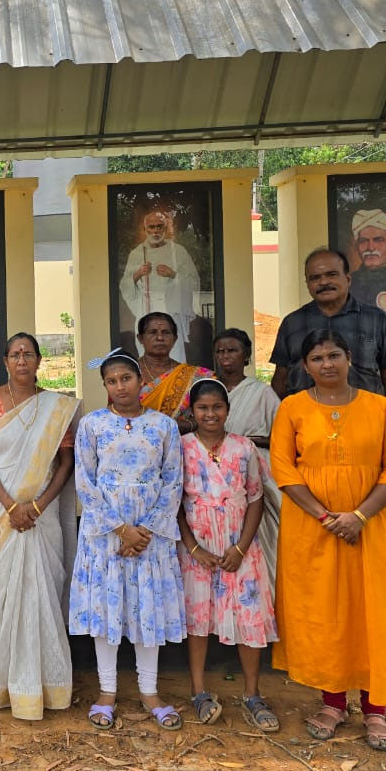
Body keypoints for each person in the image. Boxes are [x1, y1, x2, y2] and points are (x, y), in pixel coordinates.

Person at [270, 329, 386, 752]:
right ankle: (332, 703)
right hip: (312, 528)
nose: (327, 364)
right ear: (305, 366)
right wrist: (326, 516)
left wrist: (357, 516)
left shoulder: (380, 407)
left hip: (373, 527)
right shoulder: (292, 408)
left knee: (373, 609)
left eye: (334, 355)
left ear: (350, 358)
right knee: (325, 613)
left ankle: (376, 710)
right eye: (317, 358)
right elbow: (284, 470)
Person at [70, 350, 185, 731]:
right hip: (106, 536)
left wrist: (145, 530)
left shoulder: (165, 426)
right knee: (109, 610)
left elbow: (173, 481)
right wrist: (121, 529)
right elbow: (85, 482)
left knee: (146, 607)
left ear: (141, 382)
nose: (120, 386)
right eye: (112, 381)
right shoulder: (92, 425)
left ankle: (150, 691)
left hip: (152, 537)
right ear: (105, 386)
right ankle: (107, 691)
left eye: (127, 379)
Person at [0, 333, 79, 720]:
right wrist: (11, 505)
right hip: (3, 509)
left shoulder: (56, 407)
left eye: (28, 354)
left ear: (38, 361)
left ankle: (46, 683)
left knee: (41, 590)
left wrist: (37, 504)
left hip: (40, 511)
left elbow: (64, 462)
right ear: (5, 361)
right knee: (5, 590)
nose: (21, 360)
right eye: (15, 354)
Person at [176, 378, 279, 731]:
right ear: (192, 412)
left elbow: (255, 497)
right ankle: (199, 691)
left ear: (227, 411)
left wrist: (241, 547)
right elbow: (173, 503)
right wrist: (193, 547)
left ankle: (252, 694)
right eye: (203, 408)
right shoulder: (181, 447)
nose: (210, 414)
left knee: (251, 619)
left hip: (240, 548)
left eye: (217, 407)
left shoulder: (244, 447)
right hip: (197, 549)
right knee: (198, 620)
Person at [269, 249, 386, 416]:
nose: (324, 282)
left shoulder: (375, 320)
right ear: (307, 284)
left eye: (331, 274)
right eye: (315, 278)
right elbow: (280, 380)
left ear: (348, 279)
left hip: (364, 420)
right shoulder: (292, 323)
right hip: (306, 424)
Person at [214, 328, 283, 583]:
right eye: (220, 351)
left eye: (232, 350)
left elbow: (282, 437)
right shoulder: (209, 389)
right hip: (217, 477)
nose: (225, 356)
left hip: (255, 474)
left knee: (262, 543)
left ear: (246, 356)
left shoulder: (262, 393)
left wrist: (245, 442)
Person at [119, 210, 201, 364]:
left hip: (172, 311)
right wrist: (138, 274)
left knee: (174, 355)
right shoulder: (137, 253)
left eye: (159, 227)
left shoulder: (178, 252)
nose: (155, 231)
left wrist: (173, 274)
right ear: (145, 230)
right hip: (146, 310)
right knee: (147, 356)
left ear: (165, 229)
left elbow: (194, 282)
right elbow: (125, 285)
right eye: (151, 227)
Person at [136, 312, 213, 432]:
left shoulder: (192, 375)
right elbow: (115, 413)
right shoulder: (127, 372)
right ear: (140, 338)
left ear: (175, 338)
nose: (160, 338)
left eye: (166, 333)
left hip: (181, 443)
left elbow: (208, 413)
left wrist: (187, 425)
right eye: (153, 332)